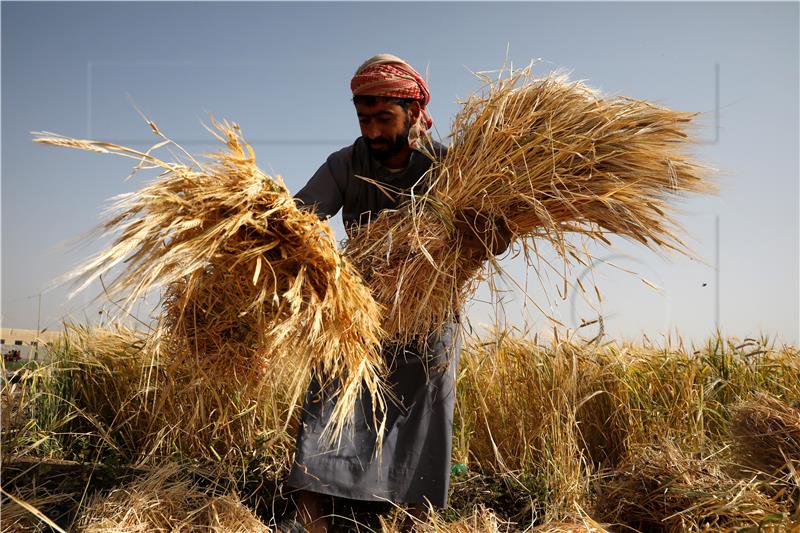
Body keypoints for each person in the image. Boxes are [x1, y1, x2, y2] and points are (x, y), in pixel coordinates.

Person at [284, 54, 508, 533]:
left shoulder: (450, 167)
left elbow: (494, 236)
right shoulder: (345, 164)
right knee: (327, 401)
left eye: (384, 119)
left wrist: (482, 232)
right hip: (360, 312)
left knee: (425, 411)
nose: (372, 132)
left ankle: (414, 519)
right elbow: (299, 219)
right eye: (364, 119)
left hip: (429, 314)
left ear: (414, 111)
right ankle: (311, 520)